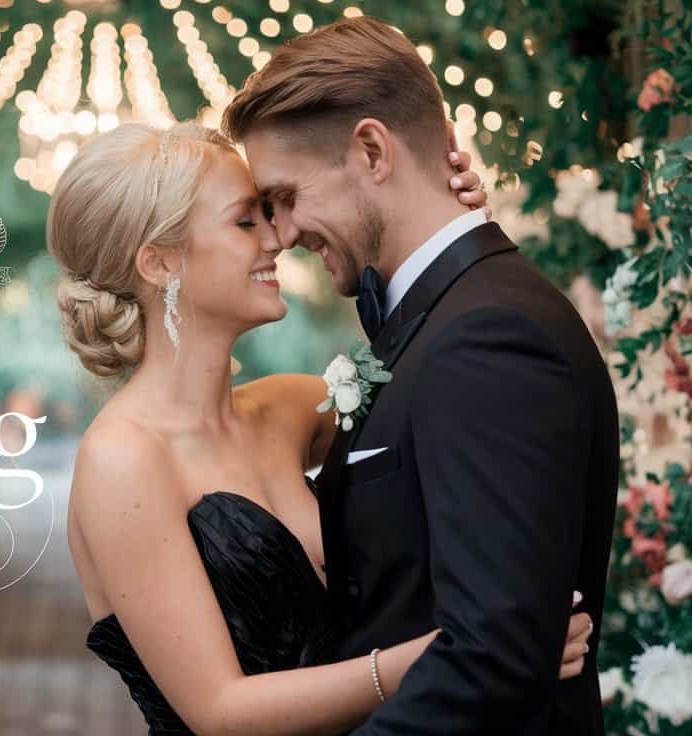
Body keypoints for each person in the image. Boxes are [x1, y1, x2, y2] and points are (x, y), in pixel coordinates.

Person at [50, 120, 593, 735]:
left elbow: (436, 387)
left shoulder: (286, 409)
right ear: (160, 261)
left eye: (270, 215)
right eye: (246, 221)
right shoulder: (123, 458)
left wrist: (442, 226)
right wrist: (454, 658)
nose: (277, 238)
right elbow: (219, 712)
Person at [222, 15, 618, 735]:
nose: (279, 237)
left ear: (372, 149)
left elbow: (491, 660)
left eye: (283, 198)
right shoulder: (437, 317)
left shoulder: (488, 337)